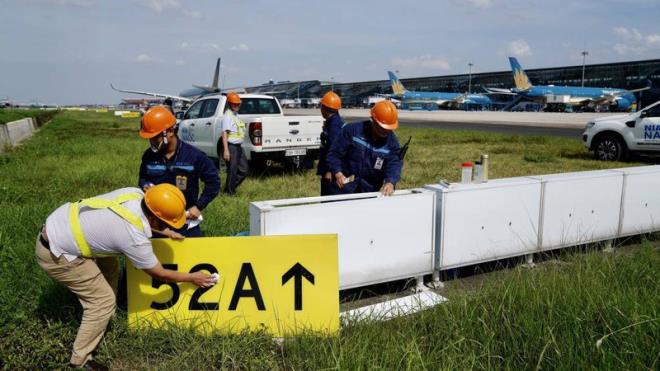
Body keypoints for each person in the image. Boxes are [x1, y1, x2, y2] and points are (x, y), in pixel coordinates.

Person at [36, 184, 216, 370]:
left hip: (61, 224)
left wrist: (166, 231)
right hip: (57, 254)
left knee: (111, 265)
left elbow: (143, 219)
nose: (168, 227)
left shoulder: (135, 194)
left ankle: (103, 318)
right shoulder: (133, 237)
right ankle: (80, 360)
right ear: (154, 219)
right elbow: (159, 273)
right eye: (166, 224)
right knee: (102, 301)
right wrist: (192, 277)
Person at [138, 106, 220, 237]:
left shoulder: (194, 156)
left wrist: (198, 207)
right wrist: (145, 185)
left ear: (170, 131)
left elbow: (214, 183)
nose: (151, 142)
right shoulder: (149, 156)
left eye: (155, 137)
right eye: (150, 138)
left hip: (186, 222)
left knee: (192, 256)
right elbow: (143, 178)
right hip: (157, 223)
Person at [326, 100, 403, 196]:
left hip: (368, 191)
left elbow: (394, 164)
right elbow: (334, 155)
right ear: (373, 120)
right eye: (382, 128)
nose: (385, 131)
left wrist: (390, 182)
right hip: (342, 189)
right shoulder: (351, 131)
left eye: (388, 129)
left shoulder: (392, 143)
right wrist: (337, 173)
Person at [220, 92, 248, 195]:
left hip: (238, 147)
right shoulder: (228, 115)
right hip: (231, 147)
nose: (236, 106)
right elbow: (224, 133)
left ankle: (228, 189)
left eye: (237, 104)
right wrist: (226, 150)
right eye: (234, 104)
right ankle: (230, 193)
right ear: (229, 104)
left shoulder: (236, 115)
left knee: (244, 170)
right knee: (232, 171)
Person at [317, 91, 344, 196]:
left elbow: (334, 148)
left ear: (325, 108)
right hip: (330, 167)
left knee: (327, 198)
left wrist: (330, 170)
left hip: (331, 171)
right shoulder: (332, 121)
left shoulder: (334, 125)